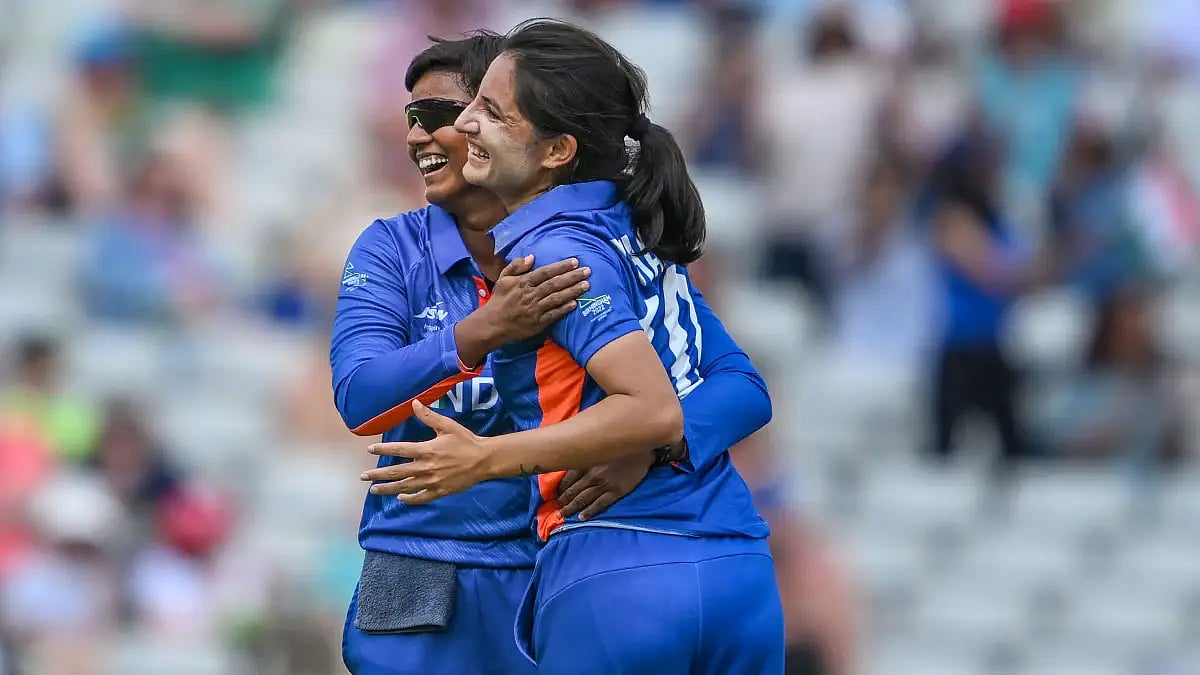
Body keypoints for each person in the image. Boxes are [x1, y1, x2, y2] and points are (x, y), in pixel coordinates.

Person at [334, 32, 772, 675]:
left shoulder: (588, 246)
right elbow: (361, 397)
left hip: (556, 558)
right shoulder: (392, 248)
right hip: (421, 561)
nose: (417, 137)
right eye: (411, 118)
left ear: (541, 141)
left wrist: (644, 449)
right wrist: (483, 330)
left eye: (443, 116)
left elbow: (738, 385)